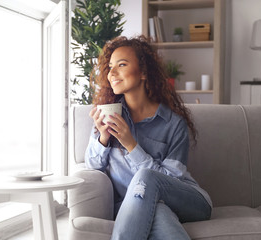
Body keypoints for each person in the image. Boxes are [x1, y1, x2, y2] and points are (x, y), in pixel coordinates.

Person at [85, 35, 212, 240]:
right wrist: (103, 138)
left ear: (143, 72)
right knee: (158, 212)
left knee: (146, 177)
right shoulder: (110, 114)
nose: (112, 73)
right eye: (110, 67)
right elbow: (92, 168)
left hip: (189, 201)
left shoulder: (173, 124)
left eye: (122, 64)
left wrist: (131, 145)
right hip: (138, 205)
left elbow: (170, 182)